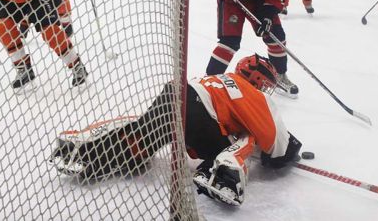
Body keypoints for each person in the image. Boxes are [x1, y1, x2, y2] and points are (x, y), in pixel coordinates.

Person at [50, 54, 302, 206]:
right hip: (200, 114)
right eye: (266, 84)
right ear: (258, 80)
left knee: (142, 134)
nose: (266, 90)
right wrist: (286, 151)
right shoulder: (252, 92)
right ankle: (222, 169)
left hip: (175, 93)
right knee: (249, 137)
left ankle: (86, 147)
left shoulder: (217, 78)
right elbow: (271, 138)